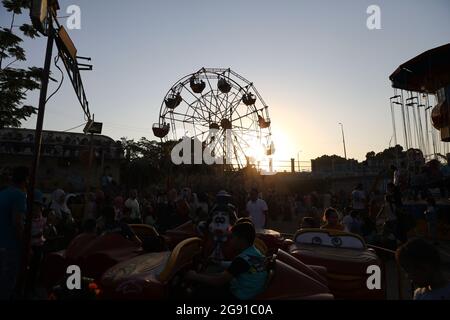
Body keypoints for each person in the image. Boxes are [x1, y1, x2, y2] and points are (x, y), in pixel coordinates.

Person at [185, 222, 268, 300]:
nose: (229, 241)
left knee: (201, 291)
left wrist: (194, 276)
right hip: (250, 292)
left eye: (232, 238)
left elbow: (219, 281)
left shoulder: (241, 260)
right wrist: (205, 272)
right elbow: (228, 272)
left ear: (242, 240)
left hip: (241, 296)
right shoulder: (253, 253)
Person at [0, 166, 29, 299]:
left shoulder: (3, 193)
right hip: (10, 245)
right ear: (26, 180)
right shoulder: (19, 195)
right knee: (7, 282)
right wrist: (25, 244)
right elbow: (17, 222)